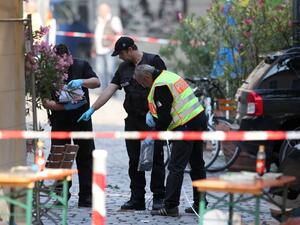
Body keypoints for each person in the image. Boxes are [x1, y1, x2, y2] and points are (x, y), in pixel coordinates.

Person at [78, 36, 166, 211]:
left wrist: (156, 112)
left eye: (121, 53)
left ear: (131, 49)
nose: (119, 57)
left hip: (152, 120)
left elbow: (164, 88)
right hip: (133, 121)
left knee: (155, 159)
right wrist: (92, 109)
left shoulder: (154, 61)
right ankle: (137, 198)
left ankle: (159, 198)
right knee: (134, 161)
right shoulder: (123, 68)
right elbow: (109, 90)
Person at [134, 64, 207, 216]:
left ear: (147, 77)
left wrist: (155, 135)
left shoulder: (160, 85)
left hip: (185, 125)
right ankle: (200, 203)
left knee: (176, 166)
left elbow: (165, 117)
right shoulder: (168, 76)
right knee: (197, 164)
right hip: (198, 119)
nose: (142, 86)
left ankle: (171, 206)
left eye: (142, 82)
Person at [42, 44, 100, 207]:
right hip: (60, 120)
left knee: (86, 157)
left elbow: (96, 82)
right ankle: (61, 195)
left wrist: (82, 81)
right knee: (60, 157)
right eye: (59, 62)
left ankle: (86, 196)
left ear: (70, 55)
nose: (63, 65)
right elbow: (46, 102)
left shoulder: (81, 65)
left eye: (65, 60)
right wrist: (66, 106)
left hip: (82, 118)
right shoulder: (49, 71)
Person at [94, 3, 123, 89]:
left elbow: (119, 34)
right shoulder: (98, 20)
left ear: (108, 10)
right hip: (99, 50)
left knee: (110, 71)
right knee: (100, 72)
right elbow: (96, 36)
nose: (100, 12)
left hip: (109, 50)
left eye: (102, 10)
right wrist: (93, 48)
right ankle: (103, 90)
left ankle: (112, 90)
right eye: (100, 10)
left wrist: (113, 46)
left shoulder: (114, 19)